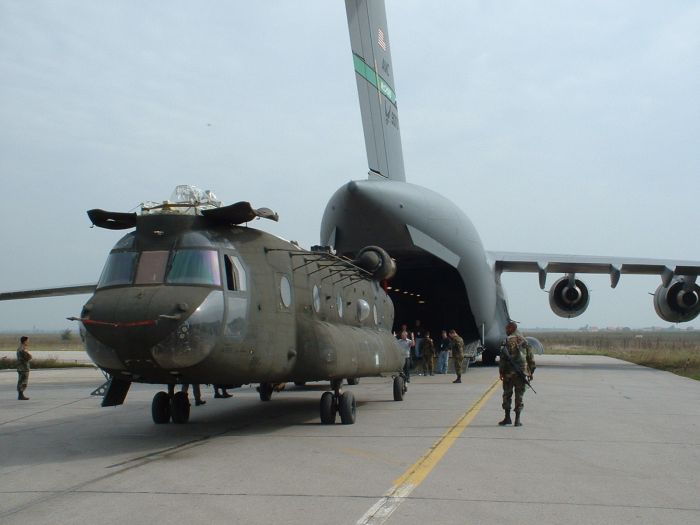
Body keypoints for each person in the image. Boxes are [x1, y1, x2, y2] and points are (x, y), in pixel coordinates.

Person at [499, 321, 536, 427]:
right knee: (519, 396)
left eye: (507, 328)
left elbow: (502, 358)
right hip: (522, 373)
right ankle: (517, 420)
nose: (506, 330)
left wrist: (501, 372)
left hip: (508, 374)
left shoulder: (506, 340)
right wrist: (531, 372)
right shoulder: (524, 340)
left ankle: (507, 418)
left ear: (511, 328)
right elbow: (530, 358)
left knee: (507, 395)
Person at [16, 336, 32, 400]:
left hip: (21, 367)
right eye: (27, 340)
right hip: (23, 367)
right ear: (24, 341)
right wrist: (30, 356)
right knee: (23, 381)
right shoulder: (23, 349)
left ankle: (21, 395)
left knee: (21, 381)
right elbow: (28, 357)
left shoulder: (20, 348)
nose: (28, 342)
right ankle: (21, 395)